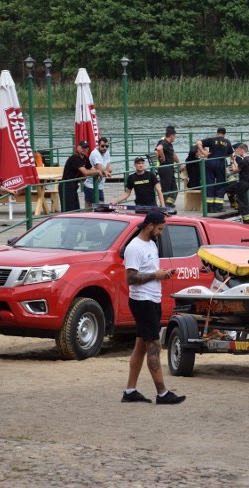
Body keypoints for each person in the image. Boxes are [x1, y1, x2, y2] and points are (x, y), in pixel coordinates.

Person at [122, 210, 186, 405]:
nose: (160, 232)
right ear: (149, 225)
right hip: (142, 301)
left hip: (152, 299)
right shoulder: (134, 247)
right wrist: (155, 276)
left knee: (141, 346)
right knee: (154, 346)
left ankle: (130, 390)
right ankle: (162, 393)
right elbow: (131, 279)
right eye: (159, 228)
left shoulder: (151, 244)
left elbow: (149, 272)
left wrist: (163, 274)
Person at [196, 127, 233, 212]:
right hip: (221, 163)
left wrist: (203, 152)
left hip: (210, 162)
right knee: (221, 184)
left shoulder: (211, 140)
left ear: (217, 133)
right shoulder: (227, 142)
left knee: (210, 183)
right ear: (224, 134)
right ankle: (218, 207)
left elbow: (198, 143)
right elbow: (230, 153)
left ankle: (209, 207)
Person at [61, 140, 102, 212]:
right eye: (83, 147)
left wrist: (98, 173)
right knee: (69, 210)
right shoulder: (75, 158)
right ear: (78, 148)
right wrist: (98, 171)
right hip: (66, 186)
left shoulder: (85, 158)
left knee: (76, 209)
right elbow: (85, 172)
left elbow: (91, 169)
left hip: (73, 185)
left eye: (86, 147)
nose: (85, 149)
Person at [154, 126, 181, 208]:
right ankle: (162, 205)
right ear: (171, 136)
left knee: (174, 188)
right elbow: (158, 149)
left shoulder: (169, 145)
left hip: (170, 167)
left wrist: (179, 163)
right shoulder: (164, 142)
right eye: (175, 136)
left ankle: (169, 203)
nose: (175, 138)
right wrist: (163, 157)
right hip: (165, 168)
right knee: (166, 188)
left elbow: (173, 155)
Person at [230, 143, 249, 225]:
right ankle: (242, 213)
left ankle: (247, 222)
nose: (238, 152)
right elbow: (239, 168)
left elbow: (234, 170)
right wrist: (235, 161)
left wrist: (232, 161)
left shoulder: (243, 161)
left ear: (242, 150)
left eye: (239, 150)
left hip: (243, 183)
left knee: (243, 202)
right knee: (243, 200)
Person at [83, 137, 112, 205]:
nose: (105, 148)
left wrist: (103, 172)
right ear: (98, 145)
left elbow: (109, 168)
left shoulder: (107, 152)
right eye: (102, 146)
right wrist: (104, 172)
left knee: (101, 207)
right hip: (90, 185)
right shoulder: (95, 153)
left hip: (100, 185)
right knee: (89, 207)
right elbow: (99, 167)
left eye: (107, 146)